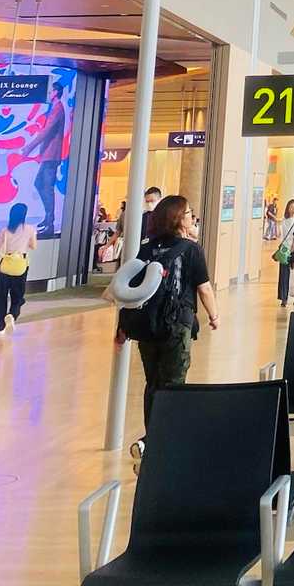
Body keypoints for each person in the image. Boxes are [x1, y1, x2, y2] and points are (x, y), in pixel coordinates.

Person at [123, 195, 217, 466]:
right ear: (178, 219)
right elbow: (204, 288)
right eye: (188, 214)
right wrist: (214, 315)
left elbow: (131, 289)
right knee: (174, 384)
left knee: (153, 383)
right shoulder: (191, 249)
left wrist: (122, 326)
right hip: (177, 324)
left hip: (147, 326)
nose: (192, 218)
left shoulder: (147, 249)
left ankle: (152, 438)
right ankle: (161, 442)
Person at [19, 81, 67, 236]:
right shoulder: (55, 108)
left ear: (56, 92)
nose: (49, 93)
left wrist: (29, 147)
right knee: (40, 184)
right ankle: (48, 219)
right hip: (49, 155)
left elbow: (46, 131)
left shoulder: (58, 108)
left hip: (51, 156)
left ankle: (50, 224)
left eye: (51, 91)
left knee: (46, 187)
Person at [0, 203, 38, 335]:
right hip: (20, 265)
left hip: (5, 266)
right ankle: (12, 314)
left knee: (1, 296)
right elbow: (34, 246)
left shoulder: (4, 230)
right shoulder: (30, 229)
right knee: (18, 296)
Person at [276, 199, 294, 307]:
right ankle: (284, 298)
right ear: (287, 208)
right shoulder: (284, 221)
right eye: (291, 207)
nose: (293, 209)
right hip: (285, 250)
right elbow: (281, 235)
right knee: (284, 275)